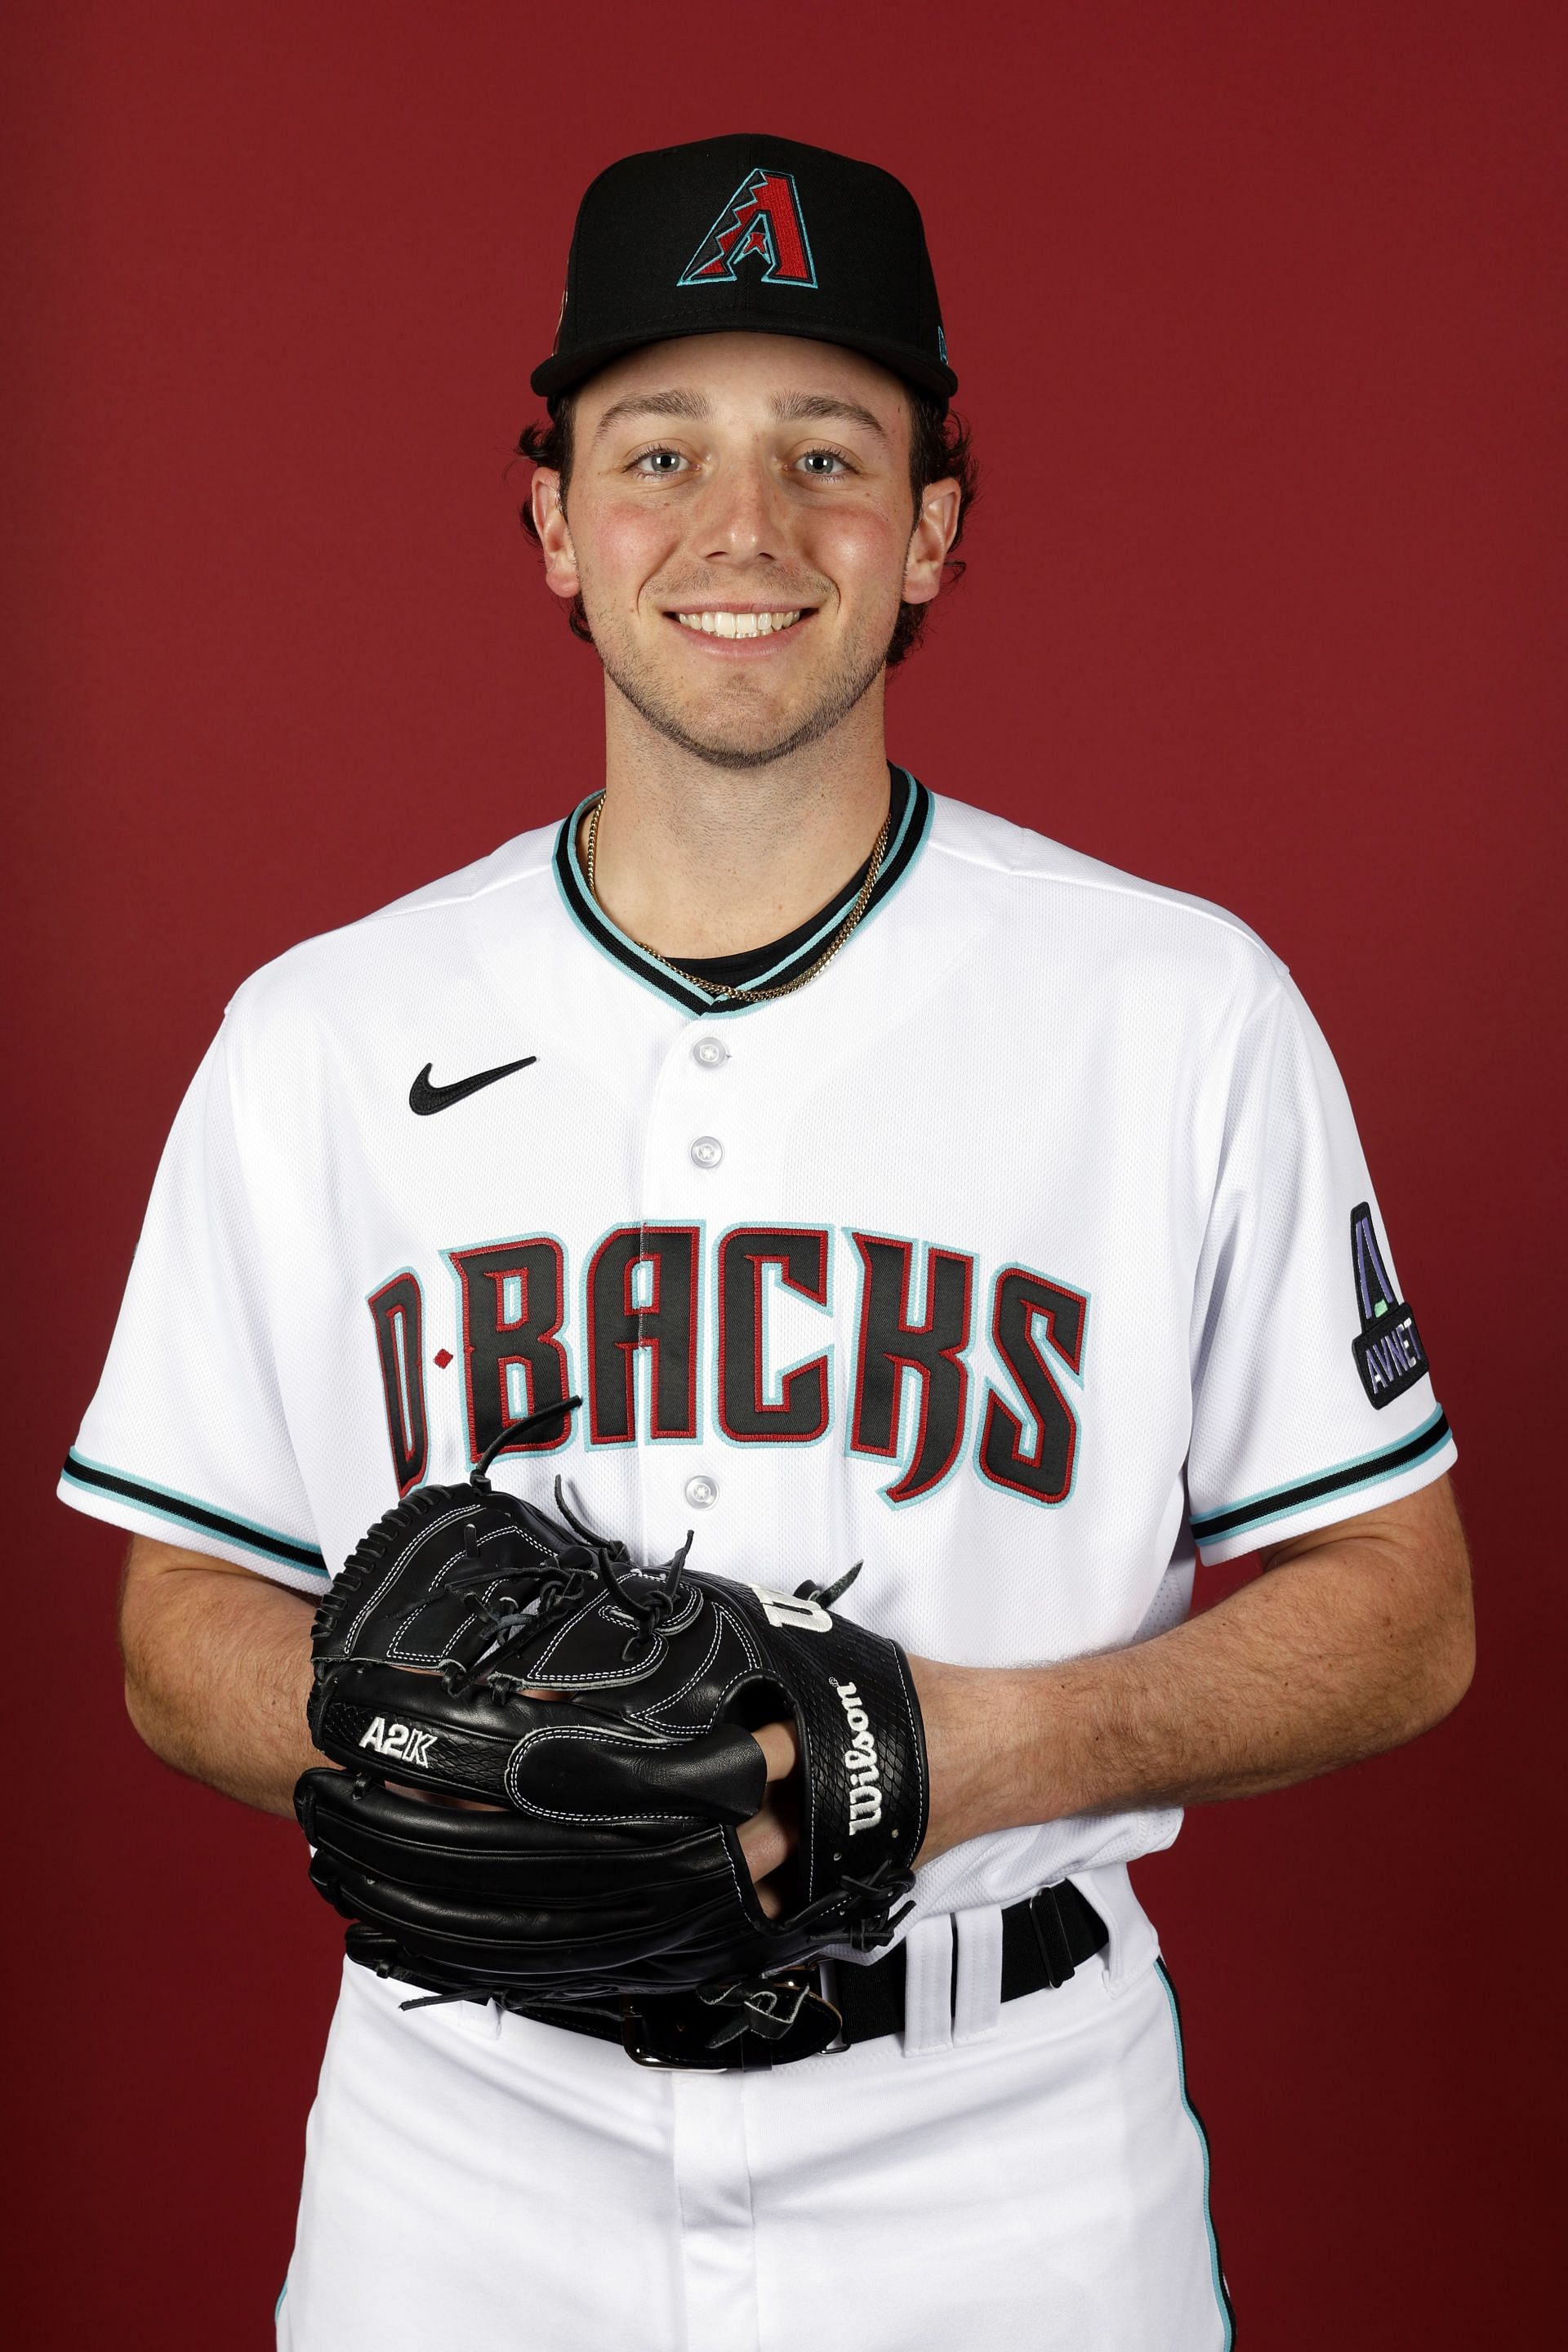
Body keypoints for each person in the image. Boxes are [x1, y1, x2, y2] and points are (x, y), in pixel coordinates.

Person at [60, 133, 1472, 2350]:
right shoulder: (323, 1039)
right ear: (551, 522)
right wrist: (431, 1753)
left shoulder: (1178, 1009)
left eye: (830, 451)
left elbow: (1405, 1619)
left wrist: (935, 1749)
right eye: (659, 452)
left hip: (1002, 2146)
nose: (743, 530)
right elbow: (177, 1615)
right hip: (468, 2149)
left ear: (932, 527)